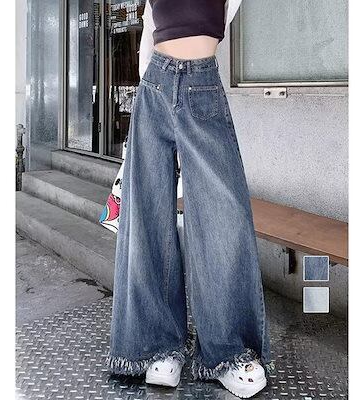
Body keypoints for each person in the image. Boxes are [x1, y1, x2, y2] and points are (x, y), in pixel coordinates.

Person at [105, 0, 273, 398]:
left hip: (202, 83)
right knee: (147, 219)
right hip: (154, 87)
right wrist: (145, 109)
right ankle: (157, 347)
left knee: (223, 218)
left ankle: (228, 351)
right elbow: (149, 32)